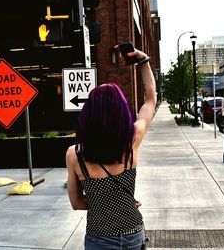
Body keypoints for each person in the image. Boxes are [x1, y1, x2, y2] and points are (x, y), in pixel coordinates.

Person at [65, 45, 156, 249]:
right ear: (122, 111)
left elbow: (77, 203)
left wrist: (104, 201)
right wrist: (143, 60)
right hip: (133, 232)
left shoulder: (75, 155)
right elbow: (151, 99)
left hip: (99, 237)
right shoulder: (132, 140)